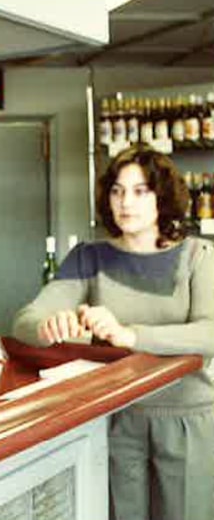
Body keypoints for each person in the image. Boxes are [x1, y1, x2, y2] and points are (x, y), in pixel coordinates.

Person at [13, 144, 214, 520]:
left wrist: (130, 335)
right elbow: (24, 319)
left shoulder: (198, 256)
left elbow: (209, 333)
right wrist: (48, 325)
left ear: (163, 198)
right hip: (116, 418)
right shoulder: (89, 258)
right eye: (118, 190)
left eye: (141, 191)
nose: (126, 202)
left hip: (187, 420)